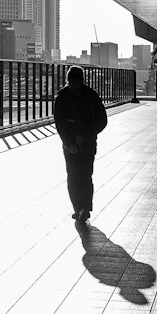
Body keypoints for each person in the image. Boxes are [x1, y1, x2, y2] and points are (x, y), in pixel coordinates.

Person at [54, 66, 108, 222]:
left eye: (75, 82)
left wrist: (85, 136)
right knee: (75, 177)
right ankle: (79, 208)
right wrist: (68, 142)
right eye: (70, 82)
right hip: (74, 144)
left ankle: (83, 208)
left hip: (86, 143)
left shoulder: (87, 96)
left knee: (83, 176)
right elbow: (59, 123)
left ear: (80, 81)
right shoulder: (72, 96)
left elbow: (102, 121)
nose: (73, 85)